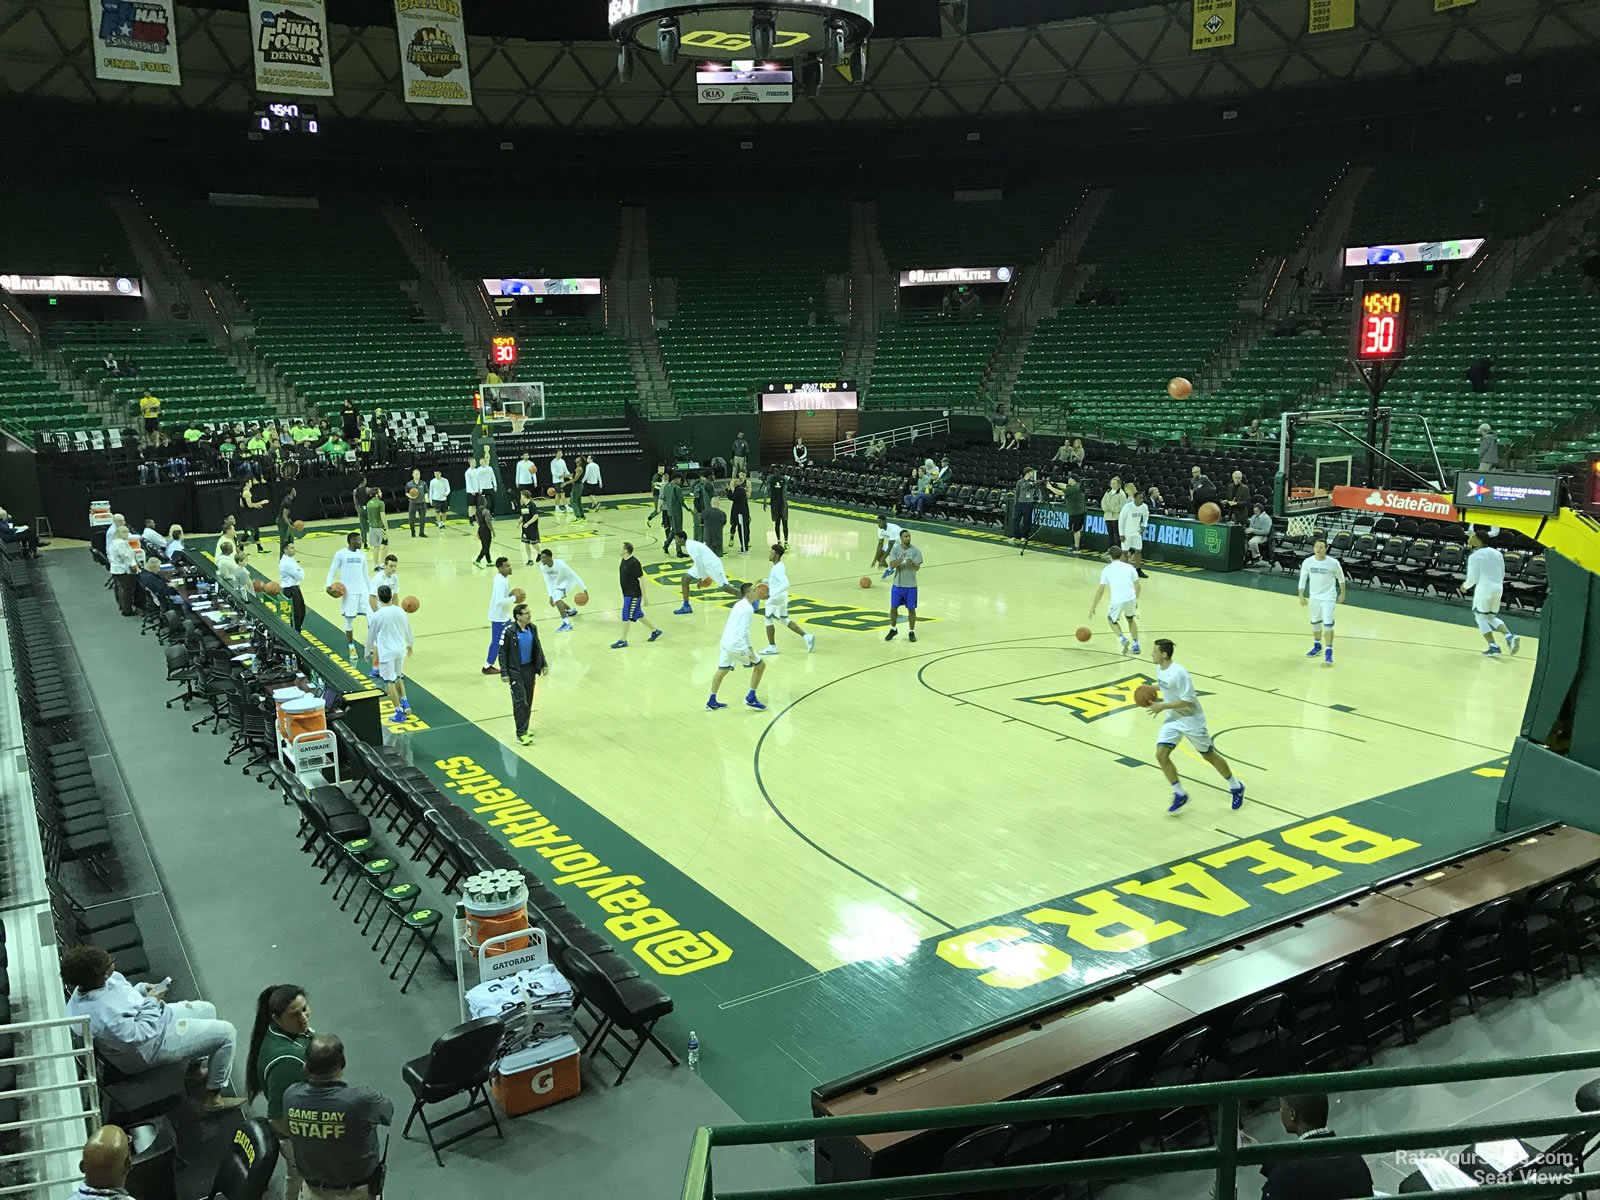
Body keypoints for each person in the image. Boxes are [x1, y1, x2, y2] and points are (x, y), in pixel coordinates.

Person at [61, 944, 244, 1115]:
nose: (113, 964)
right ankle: (213, 1098)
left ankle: (194, 1071)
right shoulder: (99, 1016)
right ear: (101, 976)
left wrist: (143, 989)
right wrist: (152, 1000)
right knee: (227, 1033)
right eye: (109, 964)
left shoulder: (100, 981)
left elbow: (126, 994)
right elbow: (140, 1034)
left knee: (207, 1009)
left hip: (156, 1018)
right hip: (149, 1047)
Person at [283, 1034, 393, 1200]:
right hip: (356, 1193)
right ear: (342, 1064)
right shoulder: (362, 1100)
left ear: (306, 1066)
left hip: (313, 1192)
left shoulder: (290, 1096)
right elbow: (387, 1113)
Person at [1147, 638, 1245, 814]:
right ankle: (1179, 793)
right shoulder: (1160, 668)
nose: (1151, 654)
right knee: (1161, 755)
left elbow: (1188, 700)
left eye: (1154, 652)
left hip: (1191, 719)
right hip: (1173, 719)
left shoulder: (1180, 673)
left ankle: (1236, 786)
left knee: (1209, 755)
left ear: (1164, 654)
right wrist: (1150, 688)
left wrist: (1162, 706)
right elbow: (1164, 684)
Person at [247, 984, 313, 1200]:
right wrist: (302, 1143)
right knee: (300, 1180)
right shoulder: (287, 1061)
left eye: (304, 1009)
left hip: (301, 1122)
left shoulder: (286, 1033)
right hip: (296, 1137)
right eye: (295, 1014)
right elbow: (276, 1118)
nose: (303, 1017)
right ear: (276, 1018)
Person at [1253, 1094, 1372, 1200]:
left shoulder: (1286, 1174)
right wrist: (1264, 1156)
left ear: (1292, 1114)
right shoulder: (1354, 1157)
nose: (1280, 1111)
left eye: (1282, 1107)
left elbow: (1289, 1176)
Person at [706, 582, 767, 711]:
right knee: (760, 665)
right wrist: (749, 650)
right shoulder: (748, 609)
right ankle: (751, 698)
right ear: (747, 594)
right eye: (754, 590)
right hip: (736, 644)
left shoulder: (739, 604)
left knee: (722, 669)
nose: (756, 591)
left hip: (725, 642)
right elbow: (744, 632)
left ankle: (711, 701)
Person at [1463, 529, 1521, 657]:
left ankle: (1493, 647)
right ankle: (1509, 636)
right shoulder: (1497, 553)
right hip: (1498, 588)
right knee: (1491, 617)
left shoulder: (1474, 556)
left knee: (1480, 617)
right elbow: (1502, 573)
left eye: (1472, 537)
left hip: (1484, 589)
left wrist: (1464, 586)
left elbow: (1473, 578)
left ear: (1477, 539)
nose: (1469, 539)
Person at [500, 603, 549, 744]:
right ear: (518, 616)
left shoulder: (532, 628)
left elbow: (538, 646)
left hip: (529, 670)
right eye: (526, 613)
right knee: (520, 701)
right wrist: (504, 672)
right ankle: (520, 734)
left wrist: (543, 663)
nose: (529, 615)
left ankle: (525, 728)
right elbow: (502, 653)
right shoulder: (509, 631)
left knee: (528, 700)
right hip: (515, 671)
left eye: (529, 612)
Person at [367, 585, 414, 722]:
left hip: (387, 652)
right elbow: (408, 629)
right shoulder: (400, 611)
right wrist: (410, 644)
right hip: (400, 650)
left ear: (379, 599)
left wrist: (366, 651)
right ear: (391, 596)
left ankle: (398, 713)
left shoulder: (377, 615)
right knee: (398, 677)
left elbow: (371, 636)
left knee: (389, 682)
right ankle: (405, 702)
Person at [1298, 538, 1347, 665]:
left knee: (1328, 624)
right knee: (1315, 623)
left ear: (1326, 548)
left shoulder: (1333, 563)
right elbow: (1303, 579)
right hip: (1314, 598)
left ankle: (1329, 651)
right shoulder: (1308, 562)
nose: (1318, 549)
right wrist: (1301, 595)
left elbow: (1341, 579)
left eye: (1321, 547)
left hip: (1328, 597)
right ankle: (1317, 646)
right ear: (1313, 548)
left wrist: (1343, 593)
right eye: (1316, 547)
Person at [325, 532, 371, 660]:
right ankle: (351, 647)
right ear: (351, 541)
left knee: (371, 618)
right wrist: (328, 585)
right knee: (349, 620)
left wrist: (371, 591)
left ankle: (371, 644)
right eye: (358, 540)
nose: (361, 542)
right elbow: (332, 570)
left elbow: (366, 575)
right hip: (348, 592)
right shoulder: (341, 554)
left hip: (362, 591)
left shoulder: (362, 555)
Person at [761, 543, 814, 655]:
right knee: (784, 620)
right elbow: (777, 582)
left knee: (768, 620)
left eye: (771, 553)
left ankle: (772, 647)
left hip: (775, 598)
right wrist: (766, 581)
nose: (769, 555)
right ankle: (807, 636)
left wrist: (771, 595)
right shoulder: (778, 566)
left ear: (776, 555)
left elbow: (785, 584)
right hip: (782, 598)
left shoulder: (777, 569)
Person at [1088, 546, 1141, 653]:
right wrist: (1135, 600)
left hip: (1118, 600)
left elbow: (1100, 591)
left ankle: (1122, 638)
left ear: (1110, 556)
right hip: (1130, 597)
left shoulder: (1106, 570)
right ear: (1121, 555)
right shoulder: (1129, 567)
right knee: (1130, 619)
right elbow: (1138, 586)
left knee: (1111, 620)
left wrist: (1093, 607)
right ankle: (1136, 645)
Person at [672, 531, 740, 613]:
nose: (675, 541)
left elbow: (698, 562)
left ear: (682, 539)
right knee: (685, 579)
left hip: (712, 565)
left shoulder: (690, 546)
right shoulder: (689, 544)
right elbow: (700, 563)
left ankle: (749, 599)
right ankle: (686, 606)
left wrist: (700, 579)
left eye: (676, 539)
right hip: (705, 565)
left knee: (725, 587)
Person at [612, 542, 662, 649]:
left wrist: (645, 598)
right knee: (638, 614)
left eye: (621, 548)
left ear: (626, 550)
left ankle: (623, 640)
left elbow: (642, 580)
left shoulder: (634, 563)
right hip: (626, 593)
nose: (619, 549)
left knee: (626, 615)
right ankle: (655, 631)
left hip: (633, 594)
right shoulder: (624, 560)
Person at [884, 528, 922, 644]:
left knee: (911, 609)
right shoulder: (895, 550)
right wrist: (901, 559)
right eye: (906, 536)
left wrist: (912, 564)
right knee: (893, 608)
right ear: (901, 538)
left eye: (909, 536)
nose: (908, 538)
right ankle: (893, 628)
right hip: (898, 585)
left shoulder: (915, 551)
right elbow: (891, 565)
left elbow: (917, 568)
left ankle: (911, 631)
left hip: (911, 586)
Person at [481, 557, 516, 676]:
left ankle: (510, 662)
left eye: (510, 565)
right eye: (507, 566)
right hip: (498, 617)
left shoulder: (500, 577)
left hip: (504, 616)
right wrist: (514, 598)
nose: (510, 567)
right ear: (500, 568)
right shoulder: (501, 581)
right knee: (497, 642)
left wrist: (510, 594)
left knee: (511, 638)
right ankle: (487, 666)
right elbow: (500, 601)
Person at [537, 548, 585, 632]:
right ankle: (570, 611)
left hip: (570, 580)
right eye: (541, 558)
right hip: (560, 582)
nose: (542, 560)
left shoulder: (560, 564)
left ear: (549, 557)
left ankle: (566, 624)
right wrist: (550, 595)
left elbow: (574, 575)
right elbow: (548, 582)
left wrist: (584, 589)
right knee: (555, 597)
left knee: (556, 596)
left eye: (543, 558)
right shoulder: (543, 567)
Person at [1119, 482, 1151, 578]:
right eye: (1140, 498)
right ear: (1135, 498)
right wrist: (1121, 534)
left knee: (1138, 551)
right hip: (1126, 533)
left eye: (1142, 498)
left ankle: (1138, 570)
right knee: (1124, 552)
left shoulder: (1144, 507)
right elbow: (1121, 520)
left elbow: (1146, 516)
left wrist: (1144, 525)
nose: (1142, 500)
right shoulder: (1128, 507)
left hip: (1136, 533)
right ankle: (1124, 571)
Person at [279, 538, 307, 632]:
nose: (294, 549)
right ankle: (296, 632)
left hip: (295, 588)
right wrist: (300, 571)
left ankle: (297, 629)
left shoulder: (291, 559)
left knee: (302, 612)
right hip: (290, 590)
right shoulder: (286, 563)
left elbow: (300, 572)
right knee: (296, 614)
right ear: (285, 550)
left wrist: (300, 571)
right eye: (291, 548)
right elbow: (300, 576)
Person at [1012, 467, 1042, 546]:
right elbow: (1017, 492)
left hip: (1028, 503)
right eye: (1031, 472)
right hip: (1020, 503)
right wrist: (1016, 503)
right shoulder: (1020, 482)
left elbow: (1038, 490)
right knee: (1016, 520)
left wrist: (1040, 498)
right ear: (1028, 473)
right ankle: (1016, 535)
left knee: (1027, 521)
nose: (1032, 474)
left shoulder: (1033, 482)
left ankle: (1024, 536)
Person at [728, 471, 752, 554]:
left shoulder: (742, 489)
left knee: (743, 529)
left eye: (743, 475)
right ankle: (733, 539)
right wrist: (730, 488)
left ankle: (744, 547)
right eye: (740, 475)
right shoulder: (739, 488)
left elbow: (732, 496)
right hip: (737, 509)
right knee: (735, 525)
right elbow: (732, 496)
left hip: (741, 511)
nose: (740, 478)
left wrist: (730, 488)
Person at [516, 488, 541, 565]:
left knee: (534, 543)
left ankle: (540, 553)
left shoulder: (532, 505)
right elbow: (523, 516)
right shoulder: (523, 506)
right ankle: (530, 560)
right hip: (525, 529)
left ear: (524, 496)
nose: (520, 497)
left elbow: (536, 516)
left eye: (521, 495)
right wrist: (519, 522)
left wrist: (528, 523)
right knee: (526, 543)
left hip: (532, 528)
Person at [240, 477, 268, 546]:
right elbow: (250, 505)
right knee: (250, 531)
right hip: (250, 514)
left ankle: (259, 548)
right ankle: (241, 545)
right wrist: (261, 502)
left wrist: (256, 506)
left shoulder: (242, 491)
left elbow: (241, 504)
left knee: (256, 530)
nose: (251, 483)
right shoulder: (247, 492)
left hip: (247, 513)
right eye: (250, 482)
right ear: (246, 483)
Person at [768, 466, 791, 545]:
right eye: (775, 471)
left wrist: (785, 505)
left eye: (778, 471)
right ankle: (778, 541)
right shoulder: (771, 479)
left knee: (785, 523)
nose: (776, 472)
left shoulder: (784, 480)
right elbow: (767, 490)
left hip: (782, 505)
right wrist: (765, 501)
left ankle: (786, 542)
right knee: (777, 523)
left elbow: (784, 493)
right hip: (774, 505)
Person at [1100, 476, 1125, 550]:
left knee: (1117, 535)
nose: (1113, 485)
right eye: (1112, 483)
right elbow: (1103, 502)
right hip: (1107, 516)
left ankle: (1117, 550)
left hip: (1116, 517)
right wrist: (1105, 508)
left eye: (1114, 483)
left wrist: (1112, 509)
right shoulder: (1108, 492)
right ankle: (1110, 550)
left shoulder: (1121, 494)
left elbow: (1122, 506)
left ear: (1118, 484)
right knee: (1110, 535)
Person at [362, 487, 387, 556]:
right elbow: (383, 516)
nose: (381, 493)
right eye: (380, 492)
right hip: (379, 527)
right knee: (385, 546)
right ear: (376, 494)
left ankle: (376, 564)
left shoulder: (368, 503)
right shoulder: (381, 503)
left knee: (376, 547)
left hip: (371, 527)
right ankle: (382, 563)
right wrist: (386, 527)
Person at [404, 468, 428, 538]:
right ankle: (413, 532)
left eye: (419, 474)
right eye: (416, 474)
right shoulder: (409, 484)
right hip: (413, 504)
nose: (418, 475)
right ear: (413, 475)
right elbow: (406, 493)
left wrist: (426, 498)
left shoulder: (423, 483)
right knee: (411, 519)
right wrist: (411, 497)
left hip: (422, 503)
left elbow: (426, 492)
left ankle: (421, 533)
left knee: (422, 519)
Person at [473, 496, 494, 569]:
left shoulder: (477, 511)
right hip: (486, 530)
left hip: (480, 529)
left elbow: (478, 521)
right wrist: (493, 531)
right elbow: (488, 523)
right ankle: (477, 560)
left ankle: (489, 561)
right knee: (486, 547)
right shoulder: (486, 511)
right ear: (485, 502)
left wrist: (479, 531)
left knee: (485, 546)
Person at [427, 468, 450, 533]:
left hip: (443, 499)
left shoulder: (445, 480)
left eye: (437, 474)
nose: (436, 475)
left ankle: (443, 523)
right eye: (435, 474)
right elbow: (431, 491)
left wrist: (446, 493)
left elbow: (448, 489)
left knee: (444, 513)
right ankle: (439, 524)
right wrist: (430, 499)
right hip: (436, 499)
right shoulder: (432, 481)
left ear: (440, 473)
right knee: (437, 512)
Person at [549, 450, 571, 515]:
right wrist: (562, 476)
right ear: (556, 454)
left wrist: (570, 476)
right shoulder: (553, 462)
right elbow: (554, 473)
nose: (560, 454)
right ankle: (567, 507)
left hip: (561, 480)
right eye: (559, 453)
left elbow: (565, 470)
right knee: (562, 494)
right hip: (556, 480)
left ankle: (557, 508)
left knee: (558, 494)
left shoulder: (563, 461)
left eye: (561, 453)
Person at [570, 454, 590, 524]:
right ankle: (582, 517)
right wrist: (563, 475)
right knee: (578, 502)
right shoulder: (577, 468)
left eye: (578, 458)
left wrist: (565, 483)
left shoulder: (579, 469)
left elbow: (575, 479)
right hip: (577, 486)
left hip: (577, 486)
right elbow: (573, 475)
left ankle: (578, 517)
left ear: (580, 461)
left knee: (573, 501)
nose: (576, 458)